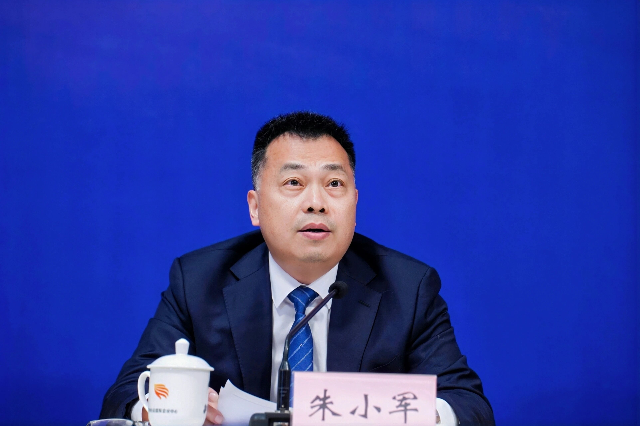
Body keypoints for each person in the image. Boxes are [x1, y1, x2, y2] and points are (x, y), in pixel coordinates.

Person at [100, 112, 494, 425]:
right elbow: (125, 394)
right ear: (255, 207)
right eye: (293, 182)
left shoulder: (408, 288)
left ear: (355, 203)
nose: (316, 202)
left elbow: (468, 404)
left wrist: (404, 415)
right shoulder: (199, 280)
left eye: (334, 184)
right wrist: (167, 409)